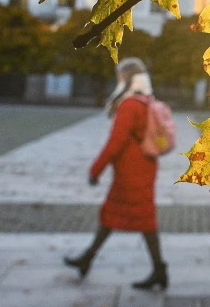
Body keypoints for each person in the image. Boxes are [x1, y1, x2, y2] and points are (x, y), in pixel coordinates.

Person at [64, 58, 167, 290]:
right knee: (117, 215)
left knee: (141, 220)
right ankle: (88, 258)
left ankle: (158, 270)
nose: (118, 79)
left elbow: (116, 142)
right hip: (143, 167)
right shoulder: (146, 100)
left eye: (120, 75)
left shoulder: (130, 105)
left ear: (128, 78)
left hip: (131, 172)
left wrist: (95, 170)